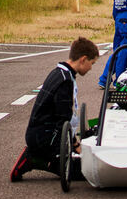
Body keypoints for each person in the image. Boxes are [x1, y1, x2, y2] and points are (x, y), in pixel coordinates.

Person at [10, 37, 100, 182]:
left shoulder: (60, 72)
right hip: (45, 139)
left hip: (40, 133)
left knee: (81, 165)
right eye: (92, 63)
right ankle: (34, 158)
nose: (91, 68)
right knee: (87, 171)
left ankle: (39, 156)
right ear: (83, 59)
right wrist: (75, 146)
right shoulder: (65, 82)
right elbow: (63, 120)